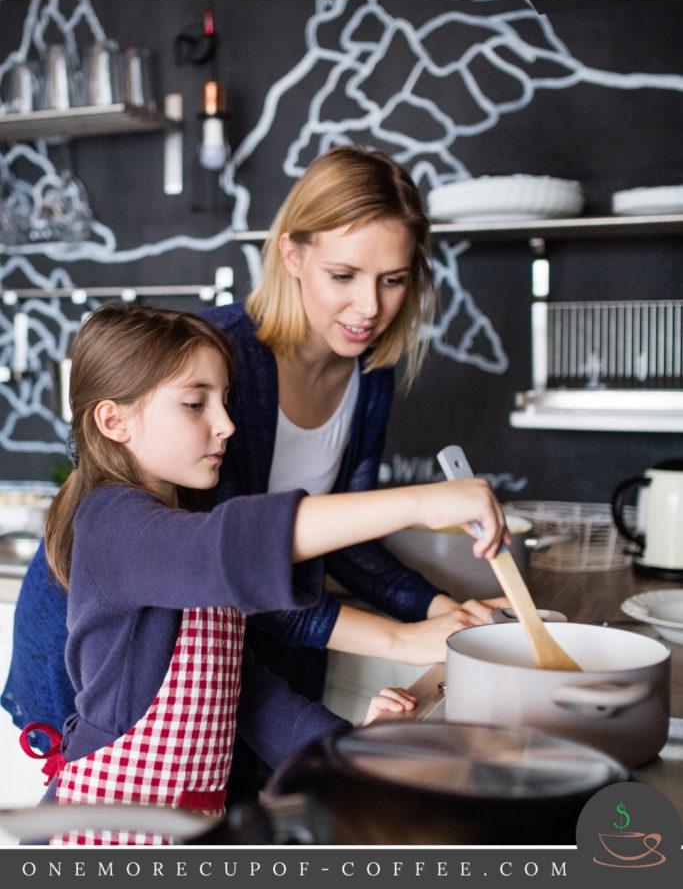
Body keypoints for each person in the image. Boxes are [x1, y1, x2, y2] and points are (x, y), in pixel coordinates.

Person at [2, 145, 508, 791]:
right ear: (292, 255)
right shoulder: (217, 367)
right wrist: (406, 605)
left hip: (210, 697)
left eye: (393, 279)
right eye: (344, 275)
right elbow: (233, 551)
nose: (370, 308)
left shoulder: (365, 375)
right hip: (109, 689)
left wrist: (444, 616)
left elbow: (271, 613)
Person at [28, 303, 507, 846]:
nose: (227, 424)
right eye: (194, 403)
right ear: (114, 421)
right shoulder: (112, 524)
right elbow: (223, 549)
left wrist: (346, 751)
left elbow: (245, 693)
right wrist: (419, 503)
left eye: (225, 399)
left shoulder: (184, 522)